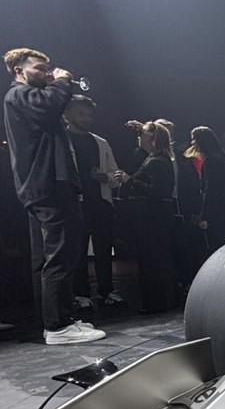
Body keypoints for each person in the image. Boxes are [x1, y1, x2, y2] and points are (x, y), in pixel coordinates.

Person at [3, 48, 105, 344]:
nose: (48, 73)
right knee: (61, 254)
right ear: (19, 71)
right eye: (40, 68)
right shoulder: (21, 96)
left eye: (50, 69)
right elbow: (51, 105)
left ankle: (59, 319)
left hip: (44, 186)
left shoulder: (26, 98)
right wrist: (62, 81)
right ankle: (58, 326)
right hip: (47, 186)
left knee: (51, 257)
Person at [64, 95, 124, 308]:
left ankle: (107, 290)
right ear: (68, 114)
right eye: (81, 114)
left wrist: (105, 177)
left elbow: (115, 174)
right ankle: (81, 293)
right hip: (74, 204)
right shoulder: (62, 140)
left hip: (101, 203)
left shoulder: (100, 142)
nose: (87, 119)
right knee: (77, 251)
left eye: (89, 114)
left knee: (104, 249)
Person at [114, 122, 176, 313]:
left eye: (142, 134)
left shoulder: (157, 161)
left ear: (152, 139)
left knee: (152, 260)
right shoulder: (158, 159)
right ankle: (160, 301)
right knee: (156, 259)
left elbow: (158, 190)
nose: (138, 137)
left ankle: (156, 303)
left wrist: (129, 180)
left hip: (152, 217)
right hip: (154, 216)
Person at [185, 126, 225, 254]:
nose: (193, 144)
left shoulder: (211, 161)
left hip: (218, 215)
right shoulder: (223, 158)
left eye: (194, 141)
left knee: (217, 249)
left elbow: (211, 190)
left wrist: (205, 216)